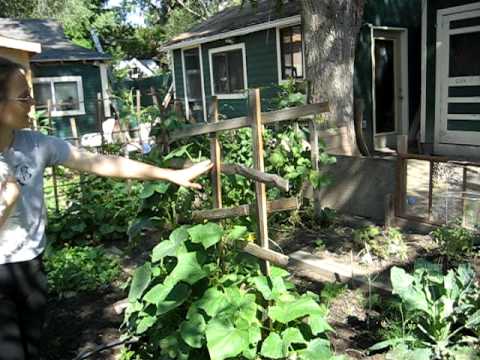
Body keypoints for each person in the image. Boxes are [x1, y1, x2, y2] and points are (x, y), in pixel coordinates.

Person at [0, 58, 212, 359]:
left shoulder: (36, 145)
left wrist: (170, 174)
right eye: (23, 96)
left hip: (31, 270)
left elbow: (102, 163)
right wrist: (6, 204)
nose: (33, 102)